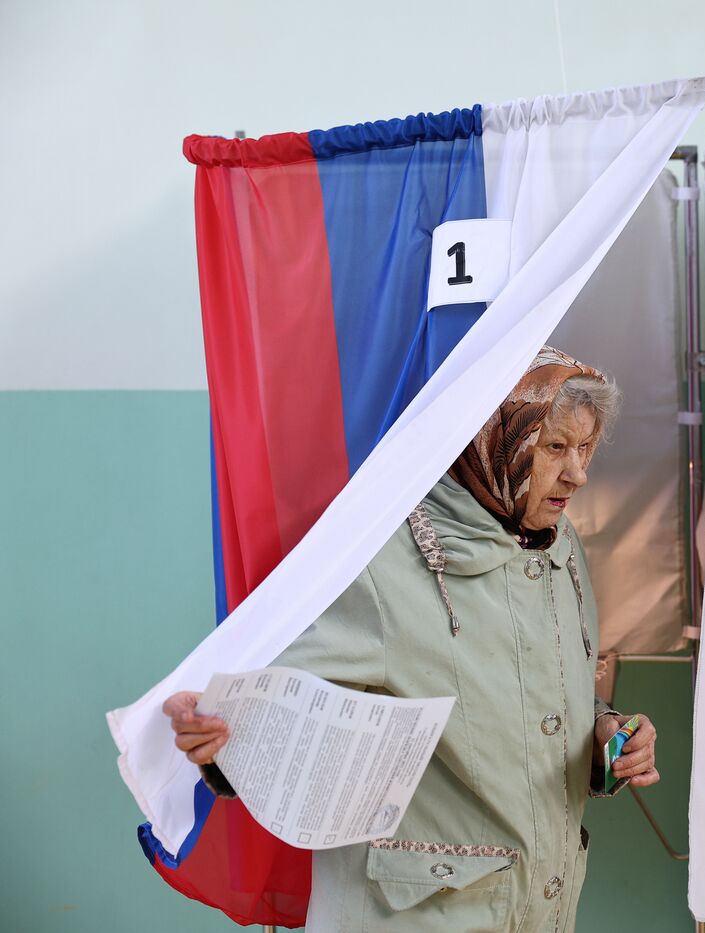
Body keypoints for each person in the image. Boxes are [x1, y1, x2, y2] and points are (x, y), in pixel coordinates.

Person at [161, 346, 659, 932]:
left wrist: (604, 734)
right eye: (554, 447)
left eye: (586, 447)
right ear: (493, 437)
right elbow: (269, 710)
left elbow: (533, 694)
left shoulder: (559, 545)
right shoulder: (383, 561)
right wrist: (216, 731)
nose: (577, 473)